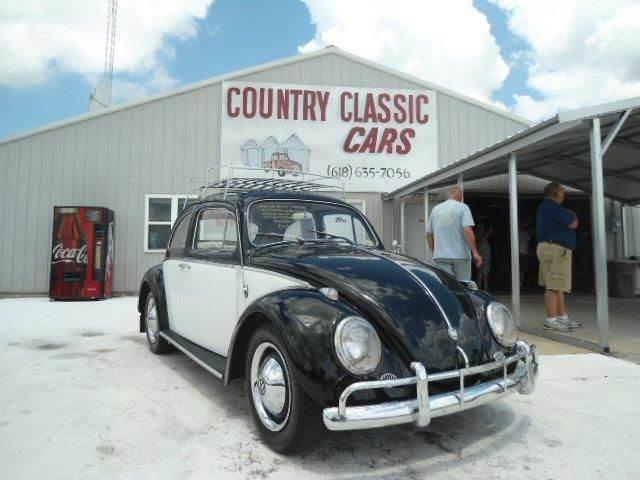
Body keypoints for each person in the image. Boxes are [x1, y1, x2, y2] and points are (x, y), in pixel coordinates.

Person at [536, 181, 581, 331]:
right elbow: (573, 223)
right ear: (555, 193)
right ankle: (551, 320)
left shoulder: (548, 207)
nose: (564, 193)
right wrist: (572, 214)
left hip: (554, 248)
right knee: (554, 285)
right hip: (555, 249)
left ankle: (562, 317)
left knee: (558, 285)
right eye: (562, 191)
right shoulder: (552, 206)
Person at [426, 186, 482, 282]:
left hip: (441, 256)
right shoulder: (463, 207)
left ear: (448, 195)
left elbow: (428, 234)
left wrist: (435, 251)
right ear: (460, 195)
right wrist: (475, 253)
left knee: (447, 285)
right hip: (460, 255)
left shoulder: (436, 209)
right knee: (463, 286)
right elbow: (468, 230)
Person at [475, 223, 492, 290]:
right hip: (479, 257)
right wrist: (488, 233)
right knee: (480, 273)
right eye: (480, 227)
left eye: (482, 227)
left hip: (486, 257)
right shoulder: (476, 235)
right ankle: (478, 287)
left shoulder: (482, 235)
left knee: (485, 273)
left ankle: (485, 287)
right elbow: (481, 240)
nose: (481, 229)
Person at [519, 221, 531, 287]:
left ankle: (521, 282)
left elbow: (527, 243)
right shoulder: (516, 231)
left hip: (524, 253)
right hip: (518, 252)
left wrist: (529, 252)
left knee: (523, 269)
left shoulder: (525, 232)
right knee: (519, 268)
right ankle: (518, 282)